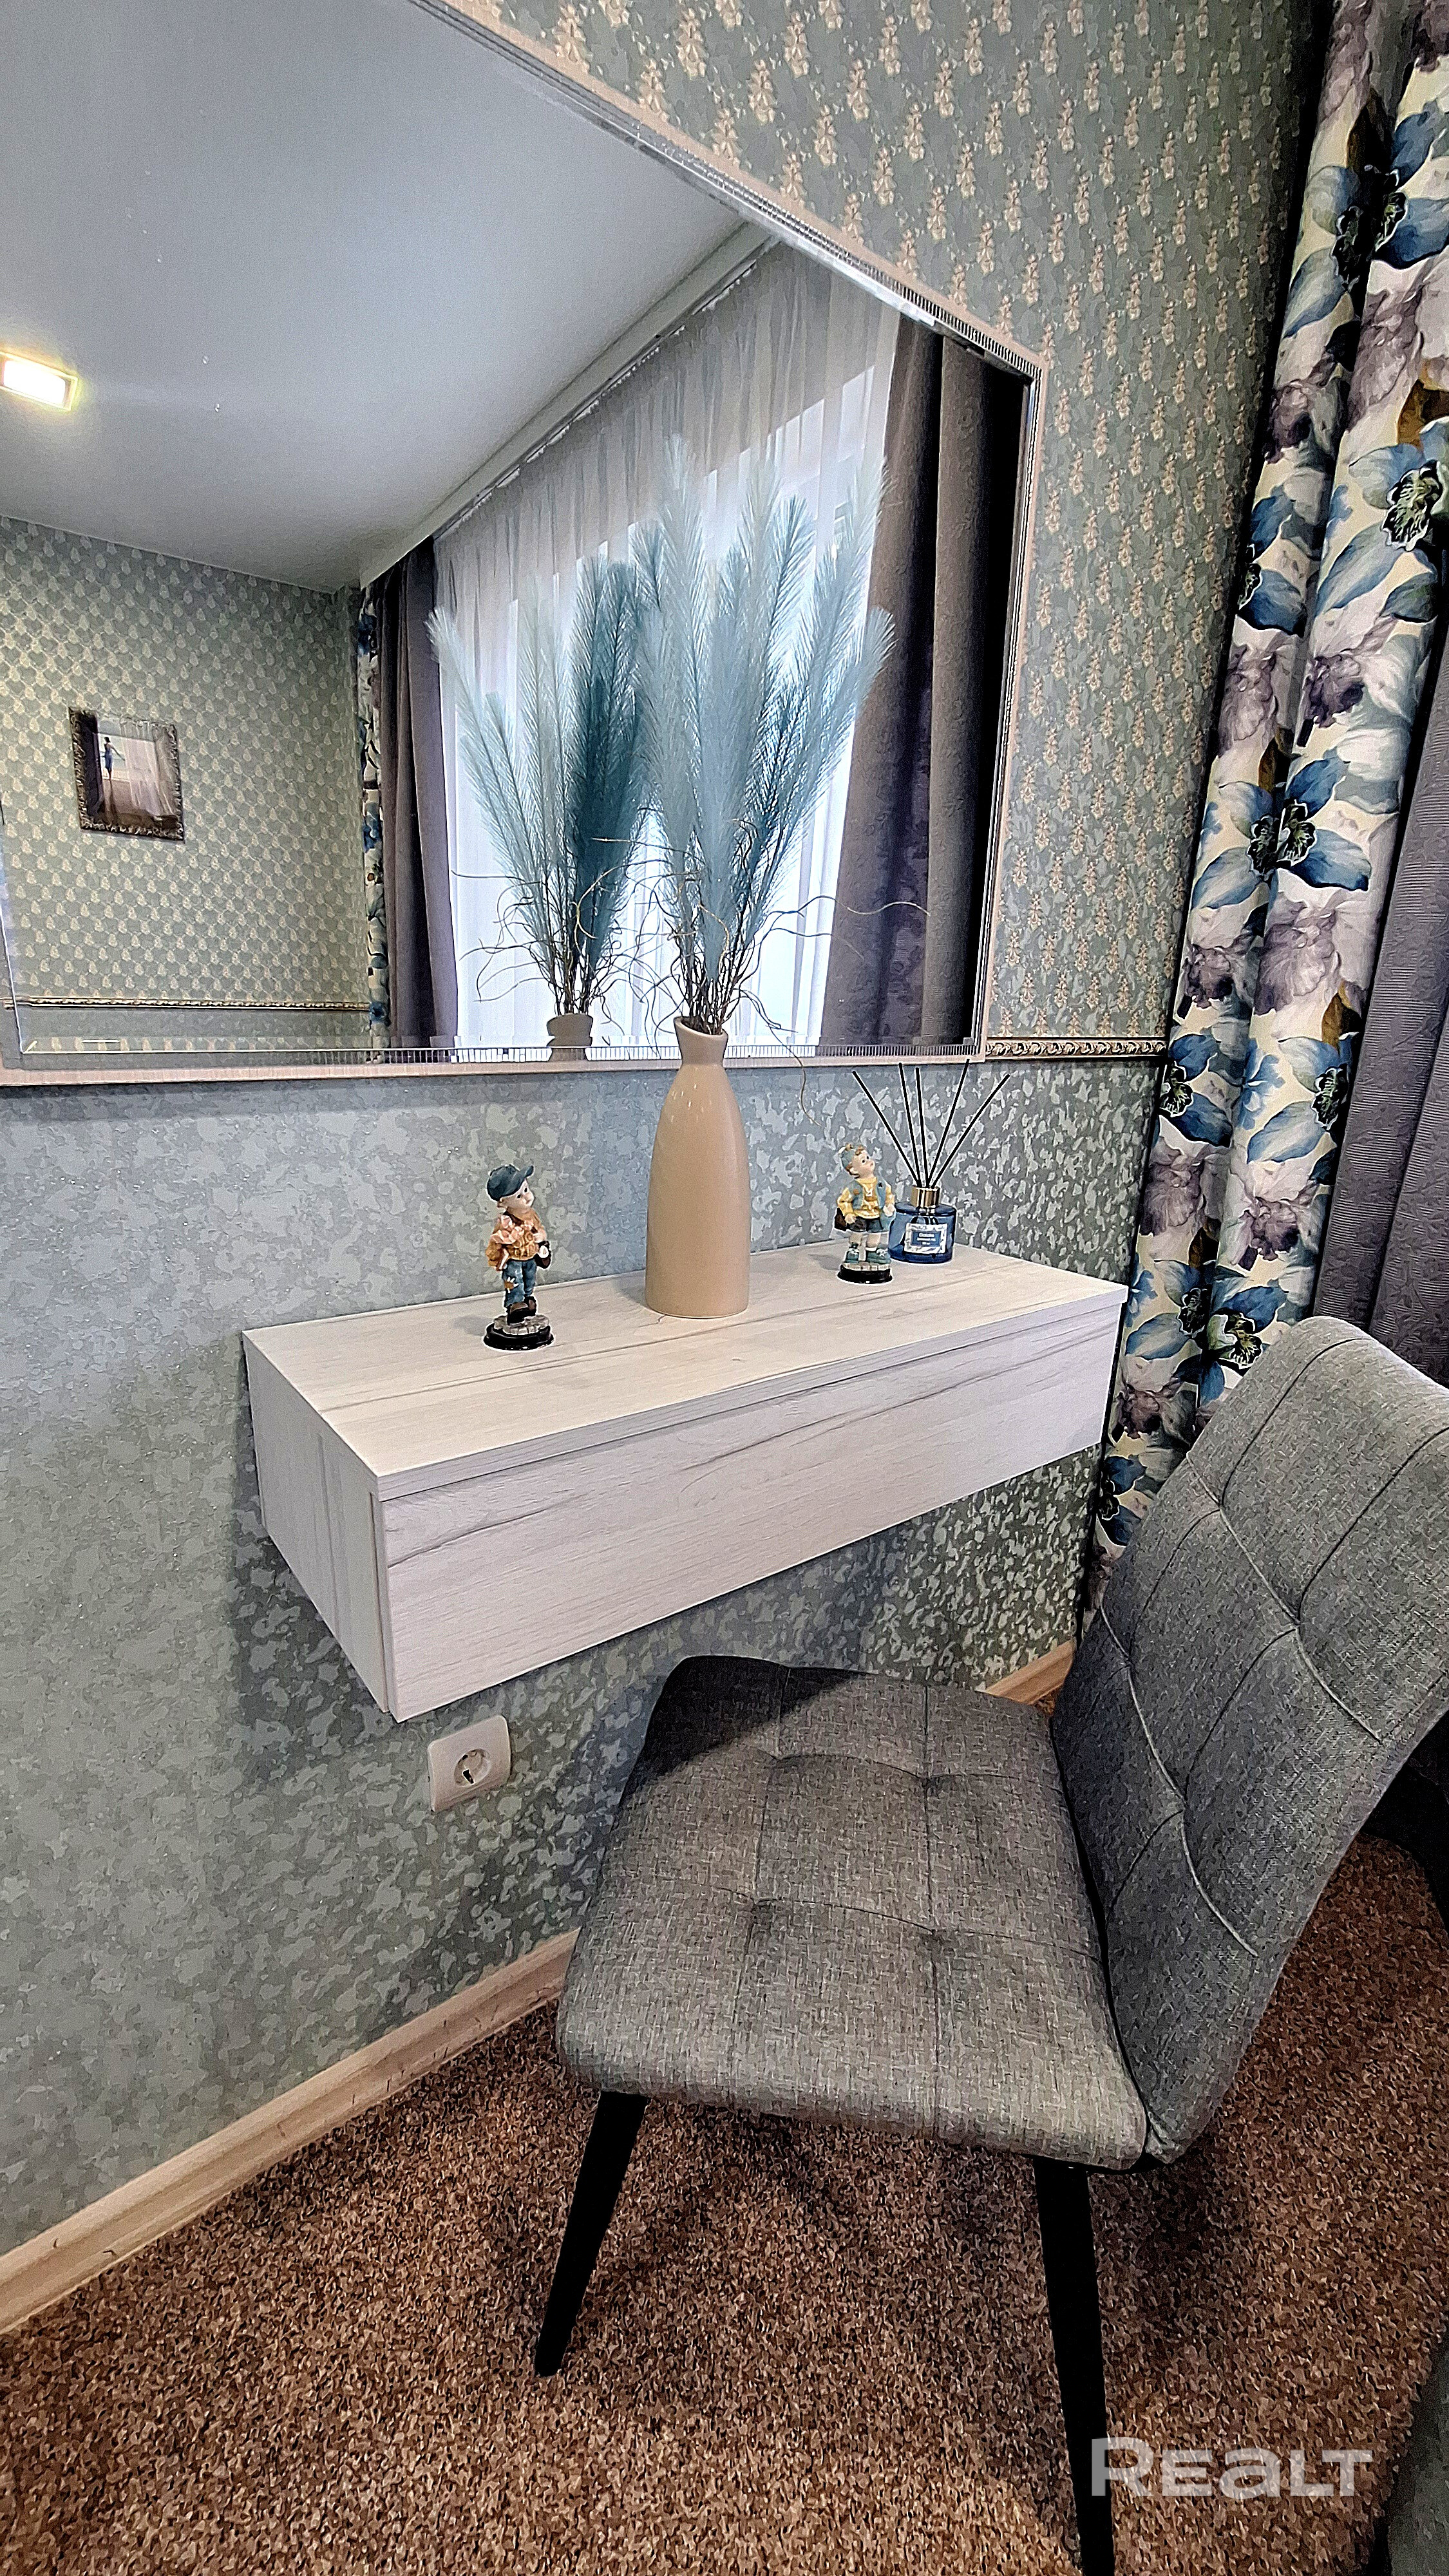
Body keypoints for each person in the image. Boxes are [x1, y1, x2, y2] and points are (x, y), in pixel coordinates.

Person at [486, 1161, 551, 1321]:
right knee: (515, 1281)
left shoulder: (531, 1214)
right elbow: (498, 1240)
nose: (527, 1197)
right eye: (519, 1196)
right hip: (514, 1259)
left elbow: (540, 1229)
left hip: (531, 1256)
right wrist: (511, 1239)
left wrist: (541, 1236)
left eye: (526, 1190)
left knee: (529, 1279)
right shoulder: (506, 1221)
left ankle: (528, 1300)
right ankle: (515, 1304)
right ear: (503, 1202)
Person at [835, 1142, 895, 1284]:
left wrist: (889, 1205)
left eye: (867, 1158)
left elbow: (888, 1194)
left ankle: (872, 1252)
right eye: (863, 1161)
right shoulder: (854, 1187)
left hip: (876, 1215)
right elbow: (844, 1201)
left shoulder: (880, 1183)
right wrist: (848, 1213)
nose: (869, 1162)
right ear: (854, 1170)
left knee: (875, 1235)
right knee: (857, 1234)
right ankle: (854, 1250)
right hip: (859, 1215)